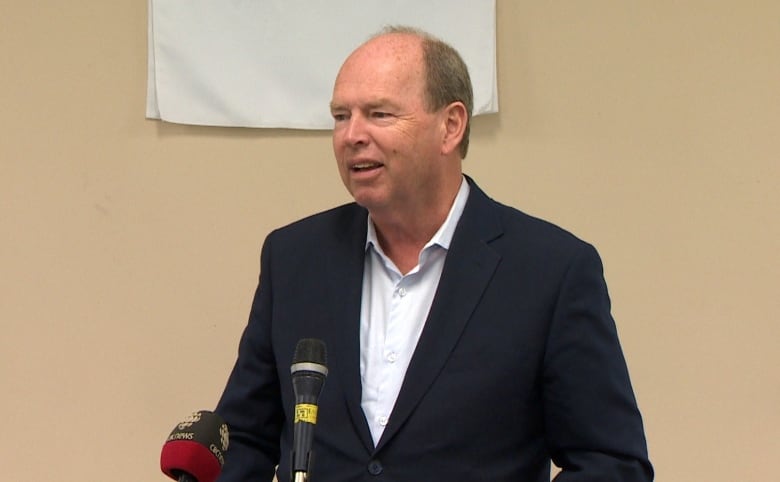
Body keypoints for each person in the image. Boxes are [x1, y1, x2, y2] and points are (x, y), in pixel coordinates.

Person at [215, 26, 653, 481]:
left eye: (379, 114)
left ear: (451, 126)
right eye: (341, 116)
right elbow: (244, 437)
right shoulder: (294, 258)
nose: (351, 136)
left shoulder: (550, 272)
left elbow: (612, 462)